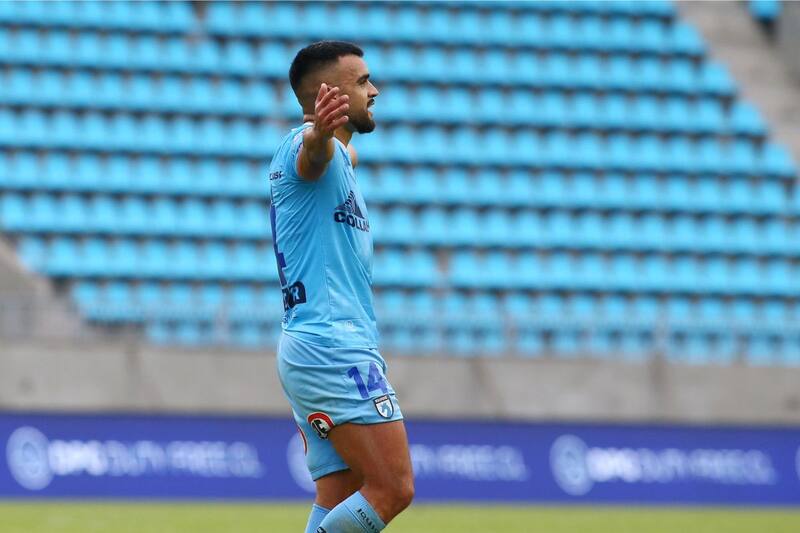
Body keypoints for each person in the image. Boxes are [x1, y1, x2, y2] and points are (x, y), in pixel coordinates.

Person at [267, 41, 414, 533]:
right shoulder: (306, 147)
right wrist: (320, 133)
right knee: (393, 488)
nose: (375, 90)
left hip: (314, 344)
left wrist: (335, 139)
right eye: (363, 81)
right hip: (334, 347)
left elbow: (338, 152)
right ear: (328, 95)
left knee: (340, 494)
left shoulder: (342, 157)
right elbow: (314, 153)